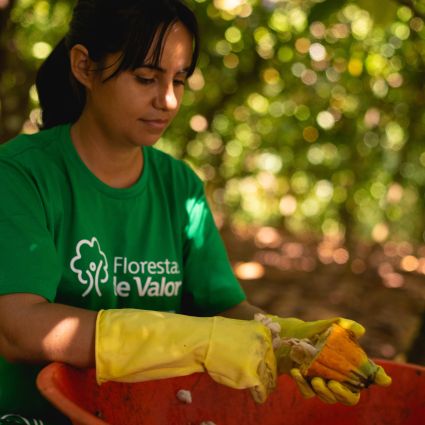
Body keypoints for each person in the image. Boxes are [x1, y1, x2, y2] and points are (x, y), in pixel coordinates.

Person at [0, 0, 390, 423]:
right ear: (85, 67)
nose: (167, 100)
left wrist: (286, 341)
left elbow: (223, 310)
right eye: (146, 77)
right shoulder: (21, 175)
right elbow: (19, 327)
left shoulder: (179, 187)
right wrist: (198, 341)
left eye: (180, 80)